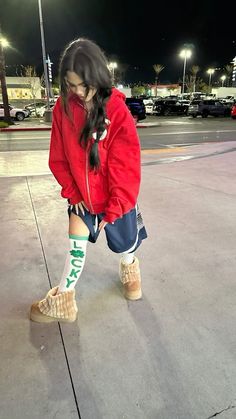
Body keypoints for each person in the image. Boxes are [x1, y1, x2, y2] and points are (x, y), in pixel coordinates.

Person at [30, 38, 147, 323]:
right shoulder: (63, 108)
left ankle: (130, 268)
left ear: (99, 76)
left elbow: (126, 165)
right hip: (81, 197)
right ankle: (64, 303)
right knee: (76, 246)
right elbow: (58, 157)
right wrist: (73, 194)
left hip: (116, 199)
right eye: (71, 85)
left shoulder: (117, 111)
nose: (79, 92)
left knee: (125, 244)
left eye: (85, 85)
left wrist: (117, 206)